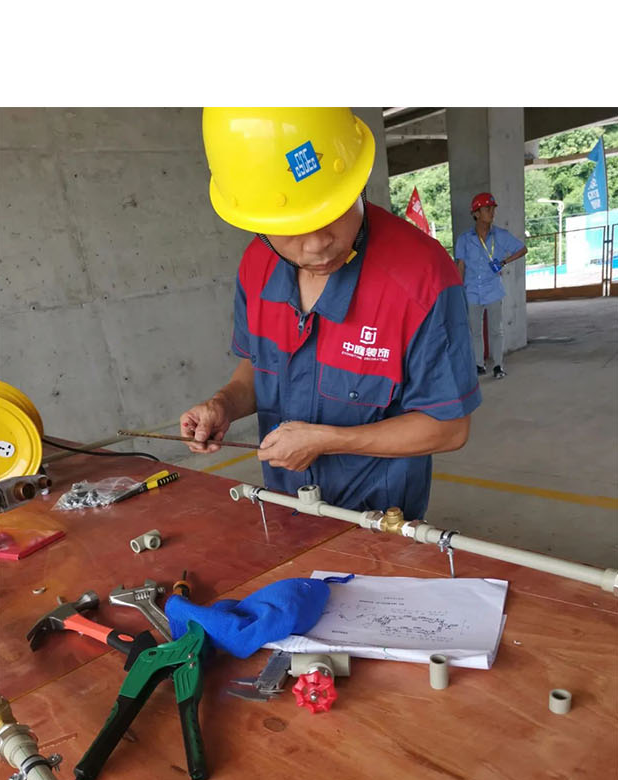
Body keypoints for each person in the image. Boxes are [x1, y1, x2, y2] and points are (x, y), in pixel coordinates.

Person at [178, 107, 480, 521]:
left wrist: (328, 440)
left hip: (379, 522)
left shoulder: (421, 279)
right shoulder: (255, 267)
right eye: (291, 226)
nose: (318, 243)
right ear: (257, 221)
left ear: (357, 180)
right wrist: (223, 404)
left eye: (332, 210)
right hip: (285, 507)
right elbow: (257, 367)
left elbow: (449, 427)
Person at [454, 192, 526, 379]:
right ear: (476, 213)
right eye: (487, 209)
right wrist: (459, 291)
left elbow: (522, 249)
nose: (492, 212)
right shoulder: (464, 239)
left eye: (493, 208)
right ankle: (479, 364)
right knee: (475, 331)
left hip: (493, 290)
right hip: (471, 291)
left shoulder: (501, 235)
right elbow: (461, 265)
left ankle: (498, 366)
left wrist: (504, 262)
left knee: (496, 330)